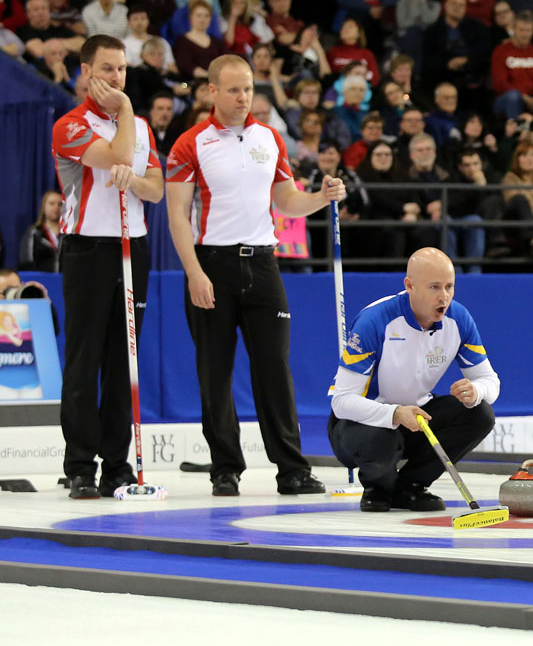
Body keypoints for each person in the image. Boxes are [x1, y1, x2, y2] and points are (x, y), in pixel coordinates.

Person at [165, 55, 346, 497]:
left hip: (263, 264)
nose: (243, 97)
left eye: (248, 89)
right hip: (212, 264)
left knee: (275, 370)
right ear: (212, 91)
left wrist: (320, 197)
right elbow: (176, 216)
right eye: (233, 89)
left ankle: (292, 469)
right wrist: (194, 272)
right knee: (215, 371)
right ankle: (225, 467)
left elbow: (286, 201)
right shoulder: (191, 144)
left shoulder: (270, 138)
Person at [50, 35, 164, 499]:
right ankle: (80, 465)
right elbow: (115, 154)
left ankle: (117, 463)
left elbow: (155, 189)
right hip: (88, 248)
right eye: (106, 69)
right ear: (85, 72)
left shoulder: (140, 127)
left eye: (121, 70)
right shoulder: (70, 126)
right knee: (85, 357)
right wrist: (126, 111)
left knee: (125, 358)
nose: (115, 78)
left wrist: (135, 179)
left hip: (132, 245)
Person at [328, 248, 498, 511]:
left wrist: (476, 390)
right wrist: (395, 414)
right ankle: (377, 487)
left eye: (449, 287)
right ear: (409, 286)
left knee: (480, 414)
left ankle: (409, 486)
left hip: (415, 417)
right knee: (383, 437)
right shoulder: (375, 321)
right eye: (434, 287)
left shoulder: (459, 319)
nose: (444, 297)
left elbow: (490, 381)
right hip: (358, 423)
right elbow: (341, 402)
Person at [21, 191, 64, 272]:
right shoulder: (34, 233)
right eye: (51, 203)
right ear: (43, 206)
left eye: (60, 204)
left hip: (65, 281)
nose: (56, 207)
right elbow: (26, 262)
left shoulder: (68, 233)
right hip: (41, 281)